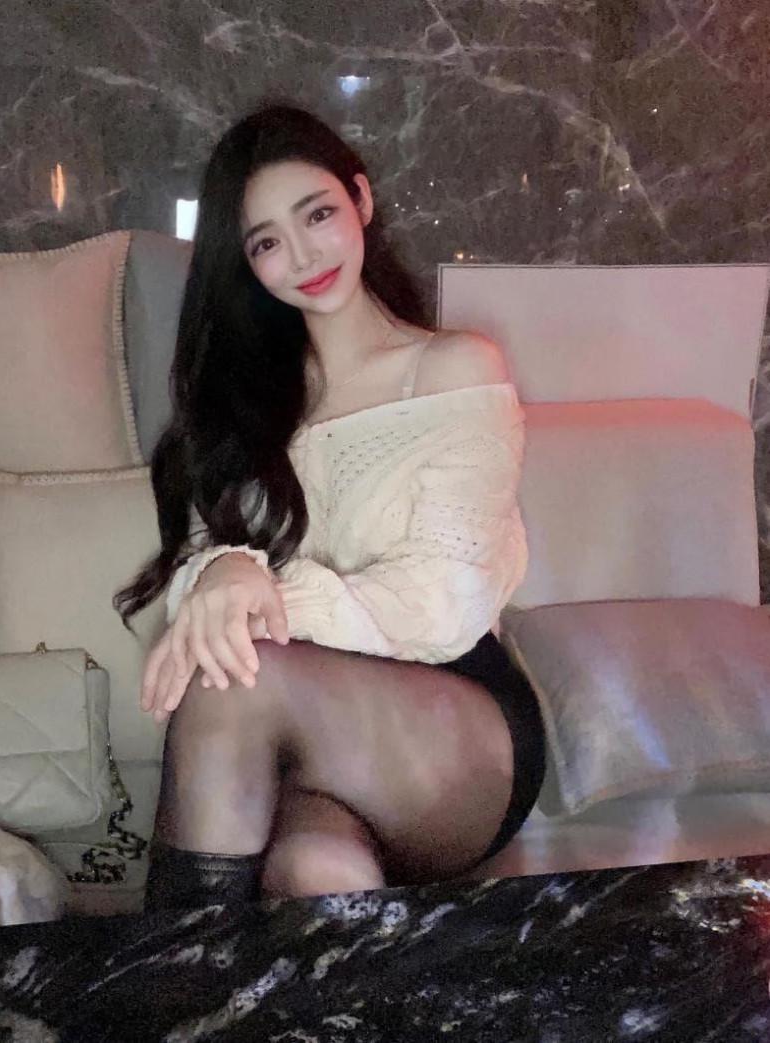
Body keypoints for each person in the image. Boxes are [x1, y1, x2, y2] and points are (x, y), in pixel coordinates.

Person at [114, 102, 546, 912]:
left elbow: (443, 602)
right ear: (246, 265)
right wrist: (227, 568)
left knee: (235, 677)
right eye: (266, 242)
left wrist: (258, 597)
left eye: (316, 214)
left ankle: (164, 976)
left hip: (458, 732)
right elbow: (201, 575)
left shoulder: (453, 367)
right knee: (315, 867)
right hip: (314, 745)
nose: (303, 254)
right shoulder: (246, 404)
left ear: (361, 199)